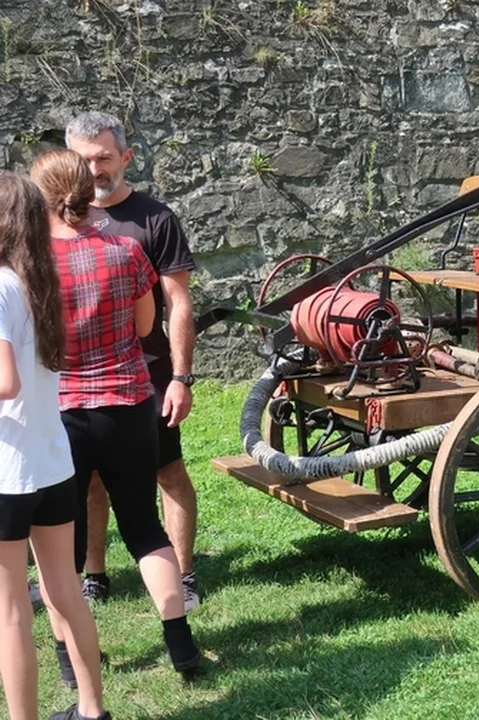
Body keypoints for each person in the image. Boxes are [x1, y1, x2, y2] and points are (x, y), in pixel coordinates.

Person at [31, 149, 200, 680]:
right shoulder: (128, 250)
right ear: (87, 191)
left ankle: (70, 663)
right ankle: (182, 647)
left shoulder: (30, 265)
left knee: (63, 549)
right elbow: (146, 323)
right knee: (147, 531)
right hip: (128, 405)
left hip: (62, 415)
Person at [65, 111, 201, 612]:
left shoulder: (155, 218)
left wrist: (181, 377)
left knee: (168, 471)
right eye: (83, 159)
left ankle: (184, 575)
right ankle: (94, 574)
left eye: (103, 157)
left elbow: (178, 302)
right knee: (91, 480)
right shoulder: (59, 223)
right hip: (79, 379)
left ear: (125, 157)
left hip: (148, 373)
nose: (94, 169)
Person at [0, 170, 111, 720]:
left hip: (8, 472)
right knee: (64, 590)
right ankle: (92, 711)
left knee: (12, 612)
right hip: (51, 463)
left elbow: (4, 382)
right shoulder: (39, 283)